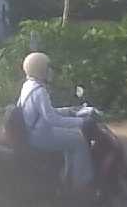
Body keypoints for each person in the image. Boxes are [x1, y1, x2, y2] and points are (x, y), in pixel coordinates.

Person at [18, 52, 95, 193]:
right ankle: (81, 184)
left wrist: (70, 111)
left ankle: (68, 177)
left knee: (72, 138)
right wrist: (81, 122)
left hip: (35, 131)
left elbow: (46, 112)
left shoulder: (28, 85)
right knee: (79, 141)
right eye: (48, 67)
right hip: (40, 136)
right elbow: (52, 119)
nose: (50, 71)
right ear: (41, 69)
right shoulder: (39, 91)